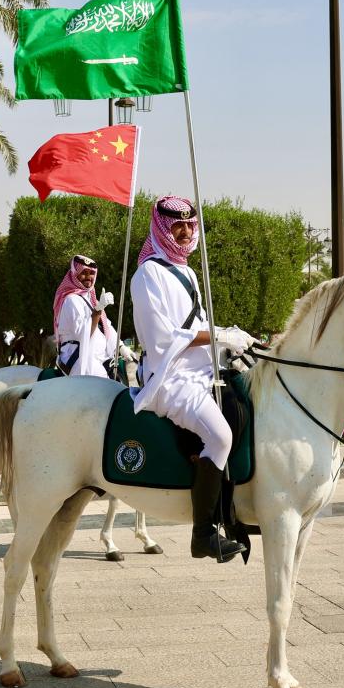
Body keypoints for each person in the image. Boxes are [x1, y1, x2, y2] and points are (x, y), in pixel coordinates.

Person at [131, 195, 255, 563]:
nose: (185, 232)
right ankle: (202, 534)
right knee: (219, 436)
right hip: (171, 378)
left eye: (190, 225)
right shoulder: (148, 274)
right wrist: (219, 335)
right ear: (161, 228)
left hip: (203, 371)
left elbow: (198, 324)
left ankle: (233, 509)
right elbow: (163, 339)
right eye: (177, 226)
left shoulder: (187, 272)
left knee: (246, 402)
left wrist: (230, 341)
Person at [53, 255, 131, 378]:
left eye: (91, 273)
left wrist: (121, 347)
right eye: (84, 273)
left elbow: (106, 327)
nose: (88, 277)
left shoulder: (90, 299)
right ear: (75, 274)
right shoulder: (71, 300)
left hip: (98, 357)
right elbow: (83, 333)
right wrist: (98, 310)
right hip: (79, 357)